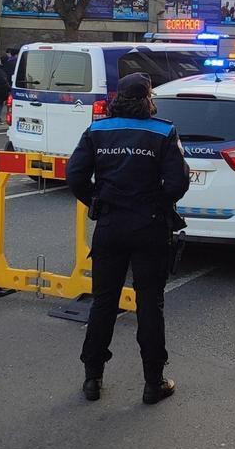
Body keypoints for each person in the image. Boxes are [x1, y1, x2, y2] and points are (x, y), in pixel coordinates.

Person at [66, 73, 189, 405]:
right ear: (148, 98)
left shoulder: (97, 130)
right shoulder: (163, 131)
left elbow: (74, 175)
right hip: (149, 226)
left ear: (118, 97)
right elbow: (178, 183)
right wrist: (155, 203)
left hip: (110, 225)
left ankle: (92, 378)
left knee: (104, 302)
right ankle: (153, 382)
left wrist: (96, 200)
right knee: (150, 303)